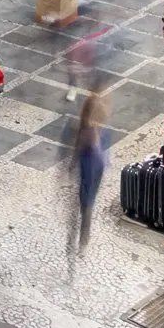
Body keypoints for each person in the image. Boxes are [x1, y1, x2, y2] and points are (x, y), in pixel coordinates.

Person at [68, 87, 111, 256]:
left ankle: (83, 241)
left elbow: (97, 152)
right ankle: (82, 240)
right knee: (85, 203)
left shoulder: (93, 130)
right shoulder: (87, 128)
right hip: (91, 166)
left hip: (93, 167)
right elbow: (80, 146)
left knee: (87, 204)